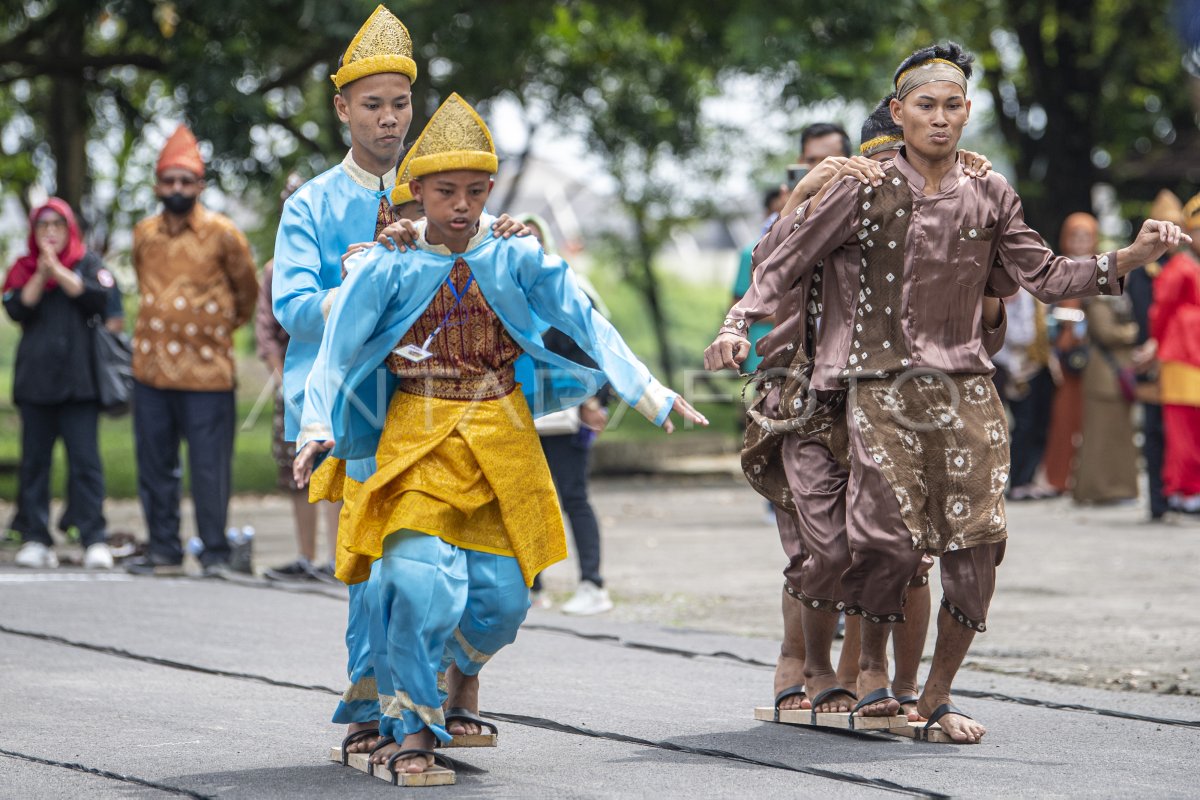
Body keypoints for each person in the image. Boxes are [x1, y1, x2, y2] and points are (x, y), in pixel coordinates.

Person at [706, 41, 1187, 743]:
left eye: (952, 105)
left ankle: (933, 696)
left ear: (967, 114)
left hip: (964, 389)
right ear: (898, 113)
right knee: (877, 545)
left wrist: (1131, 257)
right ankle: (852, 674)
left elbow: (1047, 277)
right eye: (924, 105)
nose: (939, 118)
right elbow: (780, 263)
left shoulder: (991, 192)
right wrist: (736, 324)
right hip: (868, 386)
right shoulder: (858, 186)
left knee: (978, 552)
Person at [294, 93, 705, 781]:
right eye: (446, 191)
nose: (461, 204)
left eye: (475, 191)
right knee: (418, 585)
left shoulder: (515, 256)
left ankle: (462, 677)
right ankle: (413, 731)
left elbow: (583, 314)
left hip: (502, 441)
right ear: (416, 191)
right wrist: (315, 427)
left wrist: (650, 391)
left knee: (503, 605)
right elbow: (336, 347)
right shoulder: (388, 263)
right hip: (415, 440)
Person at [743, 96, 1002, 724]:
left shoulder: (943, 200)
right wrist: (808, 190)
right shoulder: (827, 201)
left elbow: (986, 308)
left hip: (897, 396)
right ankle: (804, 664)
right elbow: (766, 272)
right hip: (807, 398)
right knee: (823, 551)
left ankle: (893, 685)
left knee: (901, 551)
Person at [123, 125, 259, 577]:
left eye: (186, 181)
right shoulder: (144, 234)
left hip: (207, 373)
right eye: (169, 180)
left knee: (209, 467)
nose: (177, 189)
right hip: (151, 370)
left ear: (200, 186)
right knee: (155, 464)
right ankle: (163, 550)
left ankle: (215, 553)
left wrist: (212, 330)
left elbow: (247, 295)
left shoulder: (224, 234)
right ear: (157, 185)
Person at [3, 198, 114, 570]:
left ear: (70, 229)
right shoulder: (22, 268)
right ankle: (36, 536)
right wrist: (41, 271)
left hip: (79, 384)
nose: (50, 231)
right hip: (36, 383)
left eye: (57, 225)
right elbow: (18, 308)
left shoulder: (88, 263)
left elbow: (99, 299)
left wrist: (60, 271)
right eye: (42, 225)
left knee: (85, 463)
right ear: (34, 232)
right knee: (35, 464)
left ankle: (93, 536)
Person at [519, 212, 614, 615]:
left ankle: (592, 583)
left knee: (573, 496)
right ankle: (531, 586)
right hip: (519, 416)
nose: (529, 247)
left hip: (567, 416)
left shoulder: (570, 288)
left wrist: (596, 400)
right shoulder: (502, 292)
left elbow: (599, 346)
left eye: (534, 238)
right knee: (523, 500)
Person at [257, 174, 342, 582]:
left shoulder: (339, 259)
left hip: (337, 380)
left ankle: (337, 557)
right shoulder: (275, 270)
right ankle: (307, 557)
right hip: (293, 383)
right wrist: (286, 381)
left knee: (335, 467)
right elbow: (266, 333)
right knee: (297, 472)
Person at [1125, 189, 1181, 521]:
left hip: (1178, 358)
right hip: (1151, 358)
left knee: (1180, 429)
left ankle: (1179, 494)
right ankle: (1159, 501)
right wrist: (1150, 344)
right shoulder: (1143, 270)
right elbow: (1142, 312)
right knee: (1154, 428)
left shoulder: (1185, 266)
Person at [1041, 214, 1098, 495]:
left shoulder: (1104, 268)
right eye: (1075, 236)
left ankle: (1088, 478)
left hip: (1093, 354)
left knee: (1092, 417)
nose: (1080, 242)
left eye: (1086, 237)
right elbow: (1046, 309)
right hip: (1062, 352)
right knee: (1062, 418)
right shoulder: (1057, 268)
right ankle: (1059, 478)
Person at [1152, 192, 1200, 512]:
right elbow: (1161, 312)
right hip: (1183, 353)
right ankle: (1185, 490)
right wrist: (1156, 345)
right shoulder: (1180, 267)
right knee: (1184, 427)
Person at [1072, 291, 1140, 504]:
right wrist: (1133, 331)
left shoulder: (1119, 301)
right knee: (1100, 439)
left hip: (1116, 377)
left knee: (1118, 438)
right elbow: (1106, 333)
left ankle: (1118, 488)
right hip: (1103, 378)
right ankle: (1098, 490)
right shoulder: (1098, 302)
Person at [992, 290, 1056, 500]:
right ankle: (1016, 481)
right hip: (1012, 367)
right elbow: (1018, 335)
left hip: (1039, 365)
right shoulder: (1006, 289)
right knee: (1022, 425)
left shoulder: (1034, 294)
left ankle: (1028, 479)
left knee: (1039, 425)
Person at [732, 187, 788, 373]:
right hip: (761, 347)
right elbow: (739, 303)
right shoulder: (751, 253)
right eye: (775, 212)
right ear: (766, 214)